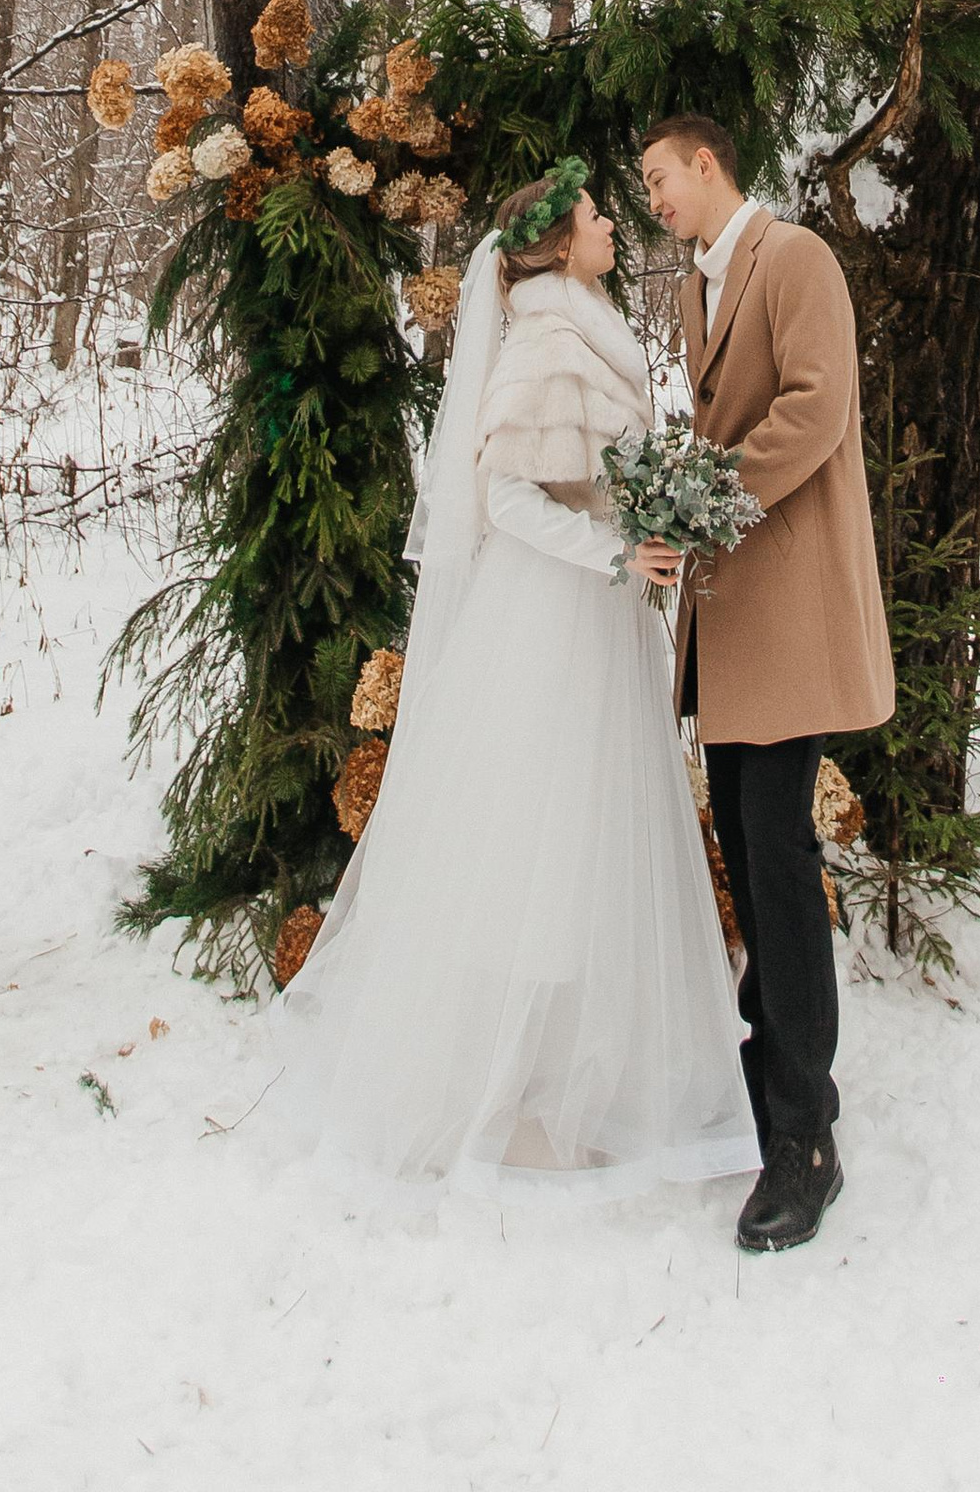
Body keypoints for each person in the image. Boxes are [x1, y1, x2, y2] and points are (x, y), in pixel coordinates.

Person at [275, 158, 757, 1202]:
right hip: (549, 624)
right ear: (550, 243)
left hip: (594, 616)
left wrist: (640, 529)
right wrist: (615, 551)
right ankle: (511, 1084)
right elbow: (507, 500)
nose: (610, 226)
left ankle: (565, 1074)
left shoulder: (578, 327)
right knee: (539, 842)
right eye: (593, 215)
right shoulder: (544, 342)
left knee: (584, 840)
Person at [640, 115, 895, 1257]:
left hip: (785, 607)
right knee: (746, 856)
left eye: (657, 178)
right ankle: (767, 1081)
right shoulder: (696, 291)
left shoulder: (796, 260)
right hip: (730, 619)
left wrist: (702, 496)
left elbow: (815, 408)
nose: (650, 198)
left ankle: (807, 1137)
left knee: (779, 863)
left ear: (707, 166)